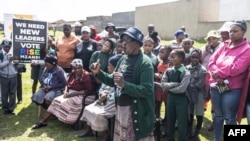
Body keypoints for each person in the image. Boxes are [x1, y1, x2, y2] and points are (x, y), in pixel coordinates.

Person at [89, 27, 155, 141]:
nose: (123, 44)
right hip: (121, 108)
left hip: (135, 111)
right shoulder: (123, 59)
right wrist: (99, 73)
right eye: (122, 40)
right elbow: (113, 80)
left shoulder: (145, 63)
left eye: (127, 41)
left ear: (137, 43)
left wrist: (124, 85)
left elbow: (147, 90)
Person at [208, 20, 250, 141]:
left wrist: (219, 73)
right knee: (218, 115)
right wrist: (218, 76)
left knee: (229, 117)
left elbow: (237, 68)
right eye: (230, 31)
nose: (231, 34)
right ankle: (217, 138)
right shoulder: (224, 45)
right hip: (216, 86)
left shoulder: (247, 49)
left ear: (243, 32)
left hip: (232, 88)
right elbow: (212, 61)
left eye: (235, 31)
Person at [31, 59, 94, 129]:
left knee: (66, 103)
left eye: (79, 68)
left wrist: (72, 94)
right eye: (75, 68)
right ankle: (43, 121)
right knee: (56, 100)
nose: (77, 70)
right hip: (71, 92)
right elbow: (67, 84)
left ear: (82, 67)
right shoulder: (73, 73)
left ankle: (71, 121)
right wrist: (65, 91)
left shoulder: (85, 75)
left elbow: (88, 90)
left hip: (83, 95)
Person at [78, 54, 122, 140]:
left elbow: (119, 91)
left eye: (110, 65)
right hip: (103, 100)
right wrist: (101, 94)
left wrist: (107, 96)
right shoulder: (108, 76)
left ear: (116, 67)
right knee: (88, 109)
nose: (108, 67)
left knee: (99, 114)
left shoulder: (119, 77)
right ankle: (89, 130)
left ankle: (106, 134)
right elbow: (101, 88)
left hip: (113, 103)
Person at [161, 49, 190, 141]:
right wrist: (174, 84)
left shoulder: (185, 72)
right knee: (170, 120)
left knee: (182, 122)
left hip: (181, 100)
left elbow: (182, 89)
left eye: (173, 57)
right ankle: (170, 138)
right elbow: (163, 84)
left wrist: (169, 88)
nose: (170, 58)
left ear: (181, 58)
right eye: (170, 56)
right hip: (170, 99)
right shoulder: (168, 71)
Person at [201, 30, 223, 131]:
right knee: (204, 98)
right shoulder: (205, 48)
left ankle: (216, 123)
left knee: (217, 101)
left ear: (218, 39)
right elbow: (200, 59)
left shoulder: (223, 48)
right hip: (206, 78)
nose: (211, 41)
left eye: (214, 38)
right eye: (209, 39)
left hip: (218, 79)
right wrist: (205, 50)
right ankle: (201, 117)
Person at [186, 49, 207, 141]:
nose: (194, 59)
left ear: (200, 58)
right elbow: (184, 80)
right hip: (188, 95)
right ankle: (189, 133)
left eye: (197, 57)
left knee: (199, 114)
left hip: (198, 95)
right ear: (190, 57)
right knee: (189, 114)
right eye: (193, 57)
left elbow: (200, 84)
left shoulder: (203, 70)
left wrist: (188, 86)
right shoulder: (186, 68)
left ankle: (196, 134)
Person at [154, 45, 172, 133]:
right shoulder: (160, 62)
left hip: (167, 90)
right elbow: (157, 73)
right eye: (159, 52)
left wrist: (163, 76)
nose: (160, 54)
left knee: (167, 107)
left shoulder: (170, 64)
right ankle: (157, 122)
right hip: (159, 88)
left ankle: (167, 127)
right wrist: (156, 75)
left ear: (168, 53)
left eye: (162, 52)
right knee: (157, 105)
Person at [0, 39, 18, 115]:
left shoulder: (14, 53)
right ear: (2, 46)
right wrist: (8, 61)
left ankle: (11, 108)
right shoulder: (0, 54)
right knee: (4, 93)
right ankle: (5, 108)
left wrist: (17, 63)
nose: (7, 48)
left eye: (8, 47)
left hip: (13, 76)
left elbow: (20, 64)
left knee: (12, 93)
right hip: (4, 76)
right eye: (5, 47)